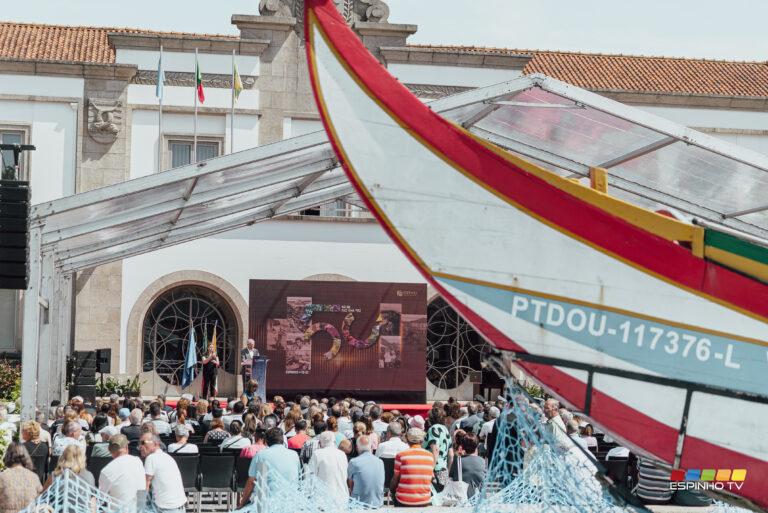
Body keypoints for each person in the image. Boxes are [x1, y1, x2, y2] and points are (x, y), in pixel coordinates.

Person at [239, 428, 301, 507]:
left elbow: (251, 482)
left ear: (266, 441)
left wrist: (242, 504)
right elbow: (299, 478)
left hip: (267, 504)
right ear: (282, 440)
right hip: (291, 503)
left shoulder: (260, 455)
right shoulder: (294, 455)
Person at [141, 433, 187, 513]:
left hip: (166, 509)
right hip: (179, 507)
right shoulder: (167, 457)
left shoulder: (151, 458)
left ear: (155, 443)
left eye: (143, 443)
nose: (140, 447)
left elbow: (145, 486)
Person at [390, 428, 435, 507]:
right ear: (422, 441)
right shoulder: (430, 456)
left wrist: (392, 491)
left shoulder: (401, 456)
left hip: (403, 500)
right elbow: (430, 478)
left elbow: (395, 479)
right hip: (424, 500)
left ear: (407, 440)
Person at [99, 435, 146, 508]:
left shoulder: (106, 470)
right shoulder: (138, 461)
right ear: (126, 447)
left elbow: (100, 498)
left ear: (109, 450)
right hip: (141, 509)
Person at [308, 431, 349, 503]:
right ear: (334, 441)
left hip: (323, 499)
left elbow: (310, 477)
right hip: (341, 497)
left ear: (320, 443)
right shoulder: (342, 454)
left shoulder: (317, 454)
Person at [347, 435, 384, 508]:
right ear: (371, 447)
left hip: (359, 504)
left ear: (357, 448)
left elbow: (350, 485)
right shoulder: (380, 462)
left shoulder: (354, 462)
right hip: (377, 503)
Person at [448, 433, 486, 498]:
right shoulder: (482, 461)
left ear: (462, 447)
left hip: (462, 498)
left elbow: (451, 476)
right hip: (478, 498)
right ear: (476, 446)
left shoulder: (458, 461)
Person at [423, 408, 450, 491]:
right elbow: (451, 454)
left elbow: (435, 450)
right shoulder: (445, 429)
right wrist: (448, 470)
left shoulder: (433, 429)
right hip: (443, 468)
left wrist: (431, 469)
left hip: (434, 469)